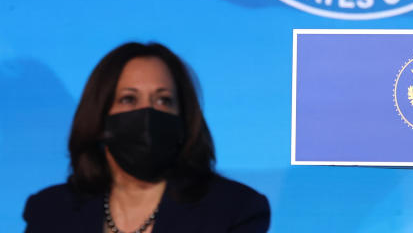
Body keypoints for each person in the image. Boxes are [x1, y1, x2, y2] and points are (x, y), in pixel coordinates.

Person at [23, 42, 270, 232]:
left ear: (183, 118)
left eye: (164, 100)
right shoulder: (49, 211)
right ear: (98, 116)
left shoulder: (234, 210)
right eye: (129, 99)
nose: (148, 114)